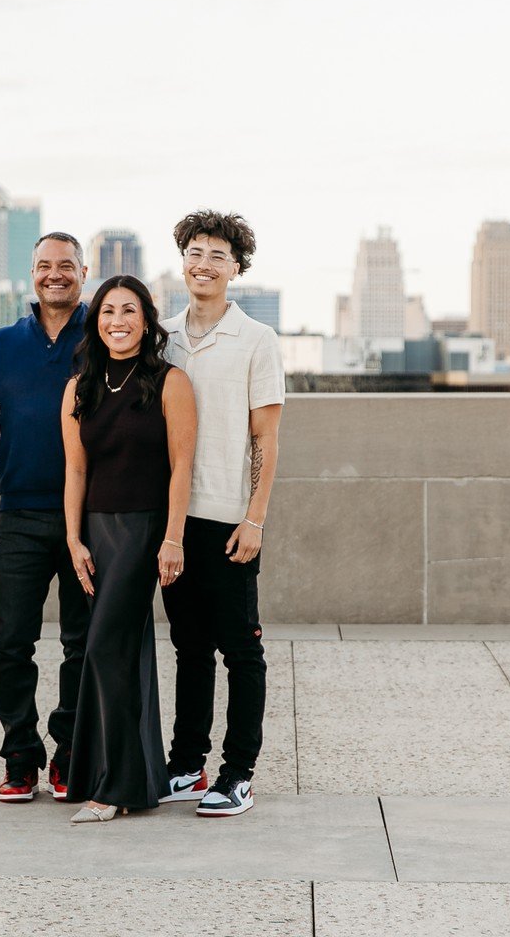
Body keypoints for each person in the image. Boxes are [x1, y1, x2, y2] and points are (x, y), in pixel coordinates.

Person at [158, 210, 285, 818]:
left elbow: (266, 438)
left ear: (236, 268)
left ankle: (238, 772)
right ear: (182, 260)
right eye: (195, 252)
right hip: (175, 520)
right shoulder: (162, 335)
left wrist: (254, 518)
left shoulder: (257, 339)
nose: (204, 263)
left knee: (241, 648)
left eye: (217, 255)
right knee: (188, 645)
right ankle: (187, 763)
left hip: (230, 517)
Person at [61, 275, 196, 823]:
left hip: (144, 532)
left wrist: (172, 537)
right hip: (95, 532)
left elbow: (182, 464)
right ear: (96, 322)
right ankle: (135, 777)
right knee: (122, 652)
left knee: (105, 649)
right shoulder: (79, 387)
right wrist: (72, 539)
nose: (117, 320)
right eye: (107, 311)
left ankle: (112, 786)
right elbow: (75, 468)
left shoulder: (170, 382)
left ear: (147, 319)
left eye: (129, 310)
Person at [0, 232, 92, 802]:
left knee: (83, 645)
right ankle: (20, 754)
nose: (56, 274)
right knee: (10, 644)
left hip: (91, 520)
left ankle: (69, 751)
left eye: (66, 266)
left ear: (83, 270)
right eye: (45, 265)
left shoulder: (109, 332)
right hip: (19, 514)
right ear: (32, 273)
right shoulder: (1, 345)